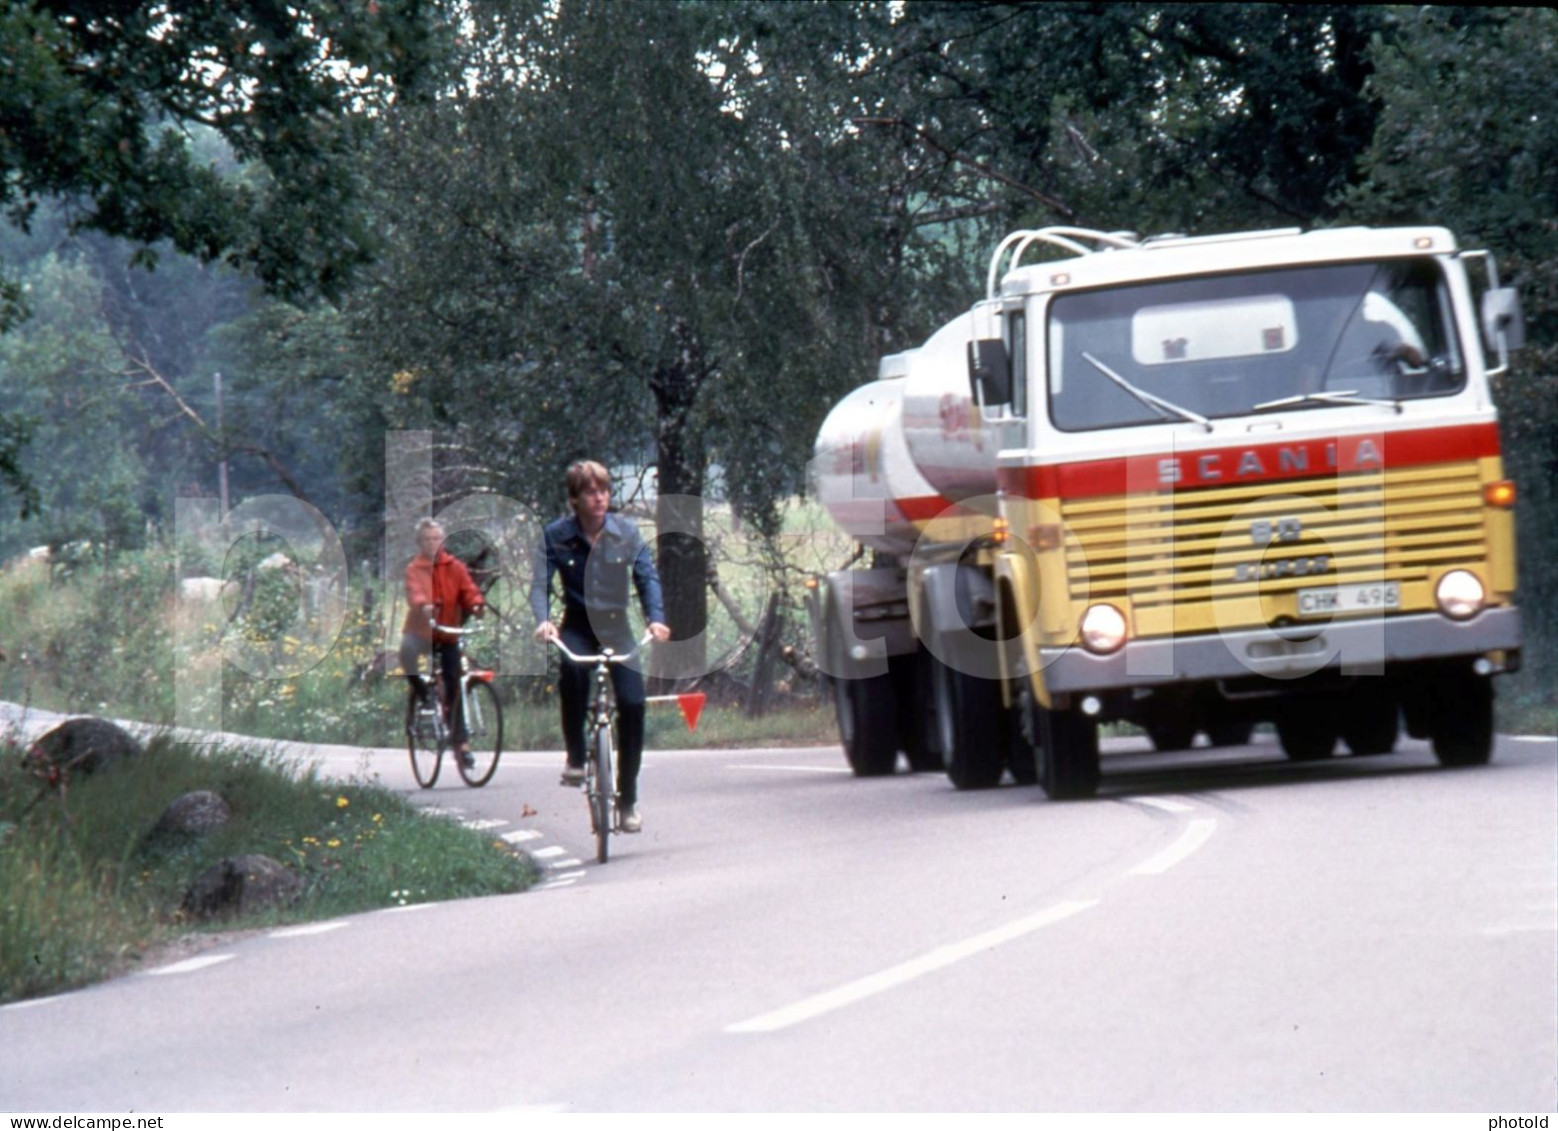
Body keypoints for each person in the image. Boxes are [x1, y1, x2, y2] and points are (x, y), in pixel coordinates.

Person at [532, 460, 670, 833]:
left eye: (604, 490)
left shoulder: (626, 532)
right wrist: (543, 619)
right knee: (573, 669)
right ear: (575, 498)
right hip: (578, 624)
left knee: (633, 703)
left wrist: (656, 618)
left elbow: (647, 577)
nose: (599, 497)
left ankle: (627, 801)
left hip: (616, 628)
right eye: (591, 491)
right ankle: (576, 756)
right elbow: (539, 584)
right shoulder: (556, 535)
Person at [400, 518, 485, 768]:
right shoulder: (414, 568)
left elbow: (468, 590)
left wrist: (476, 604)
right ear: (419, 542)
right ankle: (423, 693)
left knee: (454, 684)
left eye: (436, 538)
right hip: (421, 632)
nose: (432, 543)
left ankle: (462, 745)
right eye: (427, 539)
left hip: (447, 633)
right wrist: (422, 605)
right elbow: (414, 590)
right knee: (406, 654)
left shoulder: (455, 567)